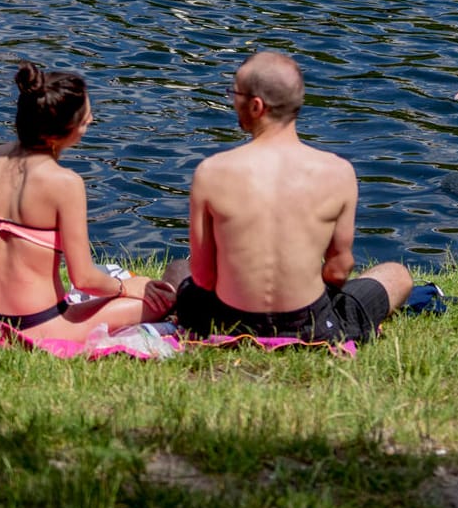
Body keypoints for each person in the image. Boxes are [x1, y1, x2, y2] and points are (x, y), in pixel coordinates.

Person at [168, 51, 413, 343]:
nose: (232, 101)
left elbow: (205, 278)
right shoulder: (338, 172)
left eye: (234, 93)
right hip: (312, 326)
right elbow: (337, 271)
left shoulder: (211, 172)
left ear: (256, 105)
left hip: (224, 322)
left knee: (178, 268)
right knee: (397, 274)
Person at [0, 61, 176, 341]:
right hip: (37, 324)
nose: (91, 121)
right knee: (155, 302)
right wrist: (126, 287)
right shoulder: (65, 183)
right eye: (84, 120)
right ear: (57, 135)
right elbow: (83, 279)